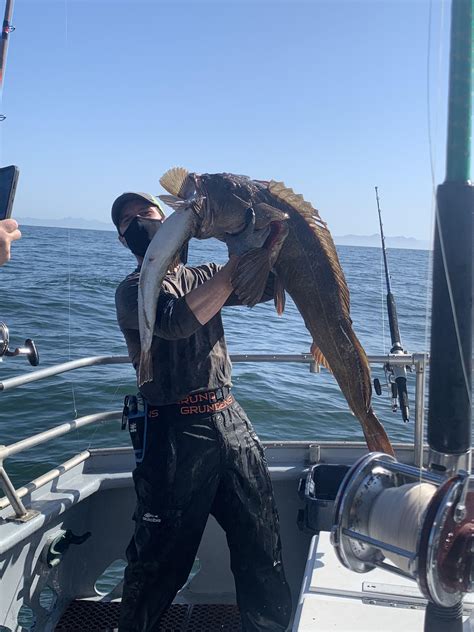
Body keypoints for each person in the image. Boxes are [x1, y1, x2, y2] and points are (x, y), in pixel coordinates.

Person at [112, 192, 292, 632]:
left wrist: (259, 241)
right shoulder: (132, 291)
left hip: (230, 420)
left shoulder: (207, 273)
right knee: (158, 563)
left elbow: (265, 288)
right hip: (172, 434)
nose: (137, 222)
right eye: (126, 221)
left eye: (146, 213)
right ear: (123, 239)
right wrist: (234, 270)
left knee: (260, 547)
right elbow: (174, 322)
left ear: (171, 220)